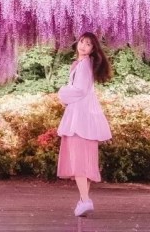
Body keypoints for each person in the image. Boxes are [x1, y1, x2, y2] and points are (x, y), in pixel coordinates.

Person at [57, 32, 113, 217]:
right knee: (86, 162)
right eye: (82, 42)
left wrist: (61, 94)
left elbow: (79, 90)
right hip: (87, 118)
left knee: (79, 161)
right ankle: (83, 200)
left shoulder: (83, 65)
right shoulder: (83, 65)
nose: (83, 46)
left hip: (79, 119)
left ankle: (86, 200)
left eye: (88, 44)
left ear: (92, 49)